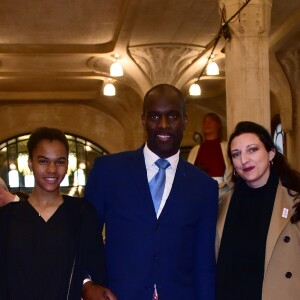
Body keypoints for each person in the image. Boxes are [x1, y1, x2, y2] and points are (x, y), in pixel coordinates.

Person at [84, 84, 218, 300]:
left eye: (172, 116)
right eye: (155, 116)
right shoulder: (109, 171)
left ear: (185, 120)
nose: (163, 125)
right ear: (143, 120)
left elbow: (204, 262)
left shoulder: (204, 187)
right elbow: (85, 236)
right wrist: (86, 283)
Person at [0, 127, 116, 300]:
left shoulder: (82, 213)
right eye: (43, 161)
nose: (52, 169)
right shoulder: (7, 217)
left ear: (67, 164)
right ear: (31, 163)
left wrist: (89, 286)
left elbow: (96, 269)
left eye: (60, 162)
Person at [216, 121, 300, 300]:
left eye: (252, 150)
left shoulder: (294, 202)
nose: (244, 160)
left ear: (271, 153)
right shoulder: (221, 201)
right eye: (236, 154)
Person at [187, 112, 231, 185]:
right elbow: (188, 172)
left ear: (218, 125)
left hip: (223, 189)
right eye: (205, 121)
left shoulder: (227, 147)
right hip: (199, 186)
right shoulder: (195, 150)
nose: (207, 123)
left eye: (211, 120)